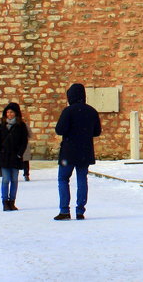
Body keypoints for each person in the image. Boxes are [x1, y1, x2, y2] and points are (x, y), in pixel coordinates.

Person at [53, 83, 101, 221]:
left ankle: (64, 210)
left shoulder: (68, 111)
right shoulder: (92, 111)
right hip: (85, 150)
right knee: (82, 180)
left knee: (63, 179)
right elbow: (97, 132)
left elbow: (59, 130)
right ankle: (80, 210)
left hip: (68, 151)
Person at [0, 102, 28, 212]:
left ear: (16, 113)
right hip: (4, 156)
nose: (9, 114)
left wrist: (19, 153)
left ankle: (12, 201)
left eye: (11, 112)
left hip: (15, 157)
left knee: (14, 180)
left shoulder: (21, 126)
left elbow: (24, 141)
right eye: (8, 112)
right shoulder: (1, 126)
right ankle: (5, 202)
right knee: (5, 179)